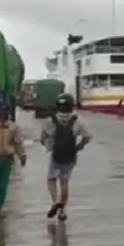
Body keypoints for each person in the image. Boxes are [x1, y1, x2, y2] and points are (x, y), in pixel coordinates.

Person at [40, 93, 92, 221]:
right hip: (70, 154)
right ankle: (62, 210)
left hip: (56, 153)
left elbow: (43, 138)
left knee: (52, 179)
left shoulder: (51, 120)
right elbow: (87, 136)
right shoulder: (77, 121)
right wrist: (79, 147)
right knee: (64, 181)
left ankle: (55, 201)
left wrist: (49, 146)